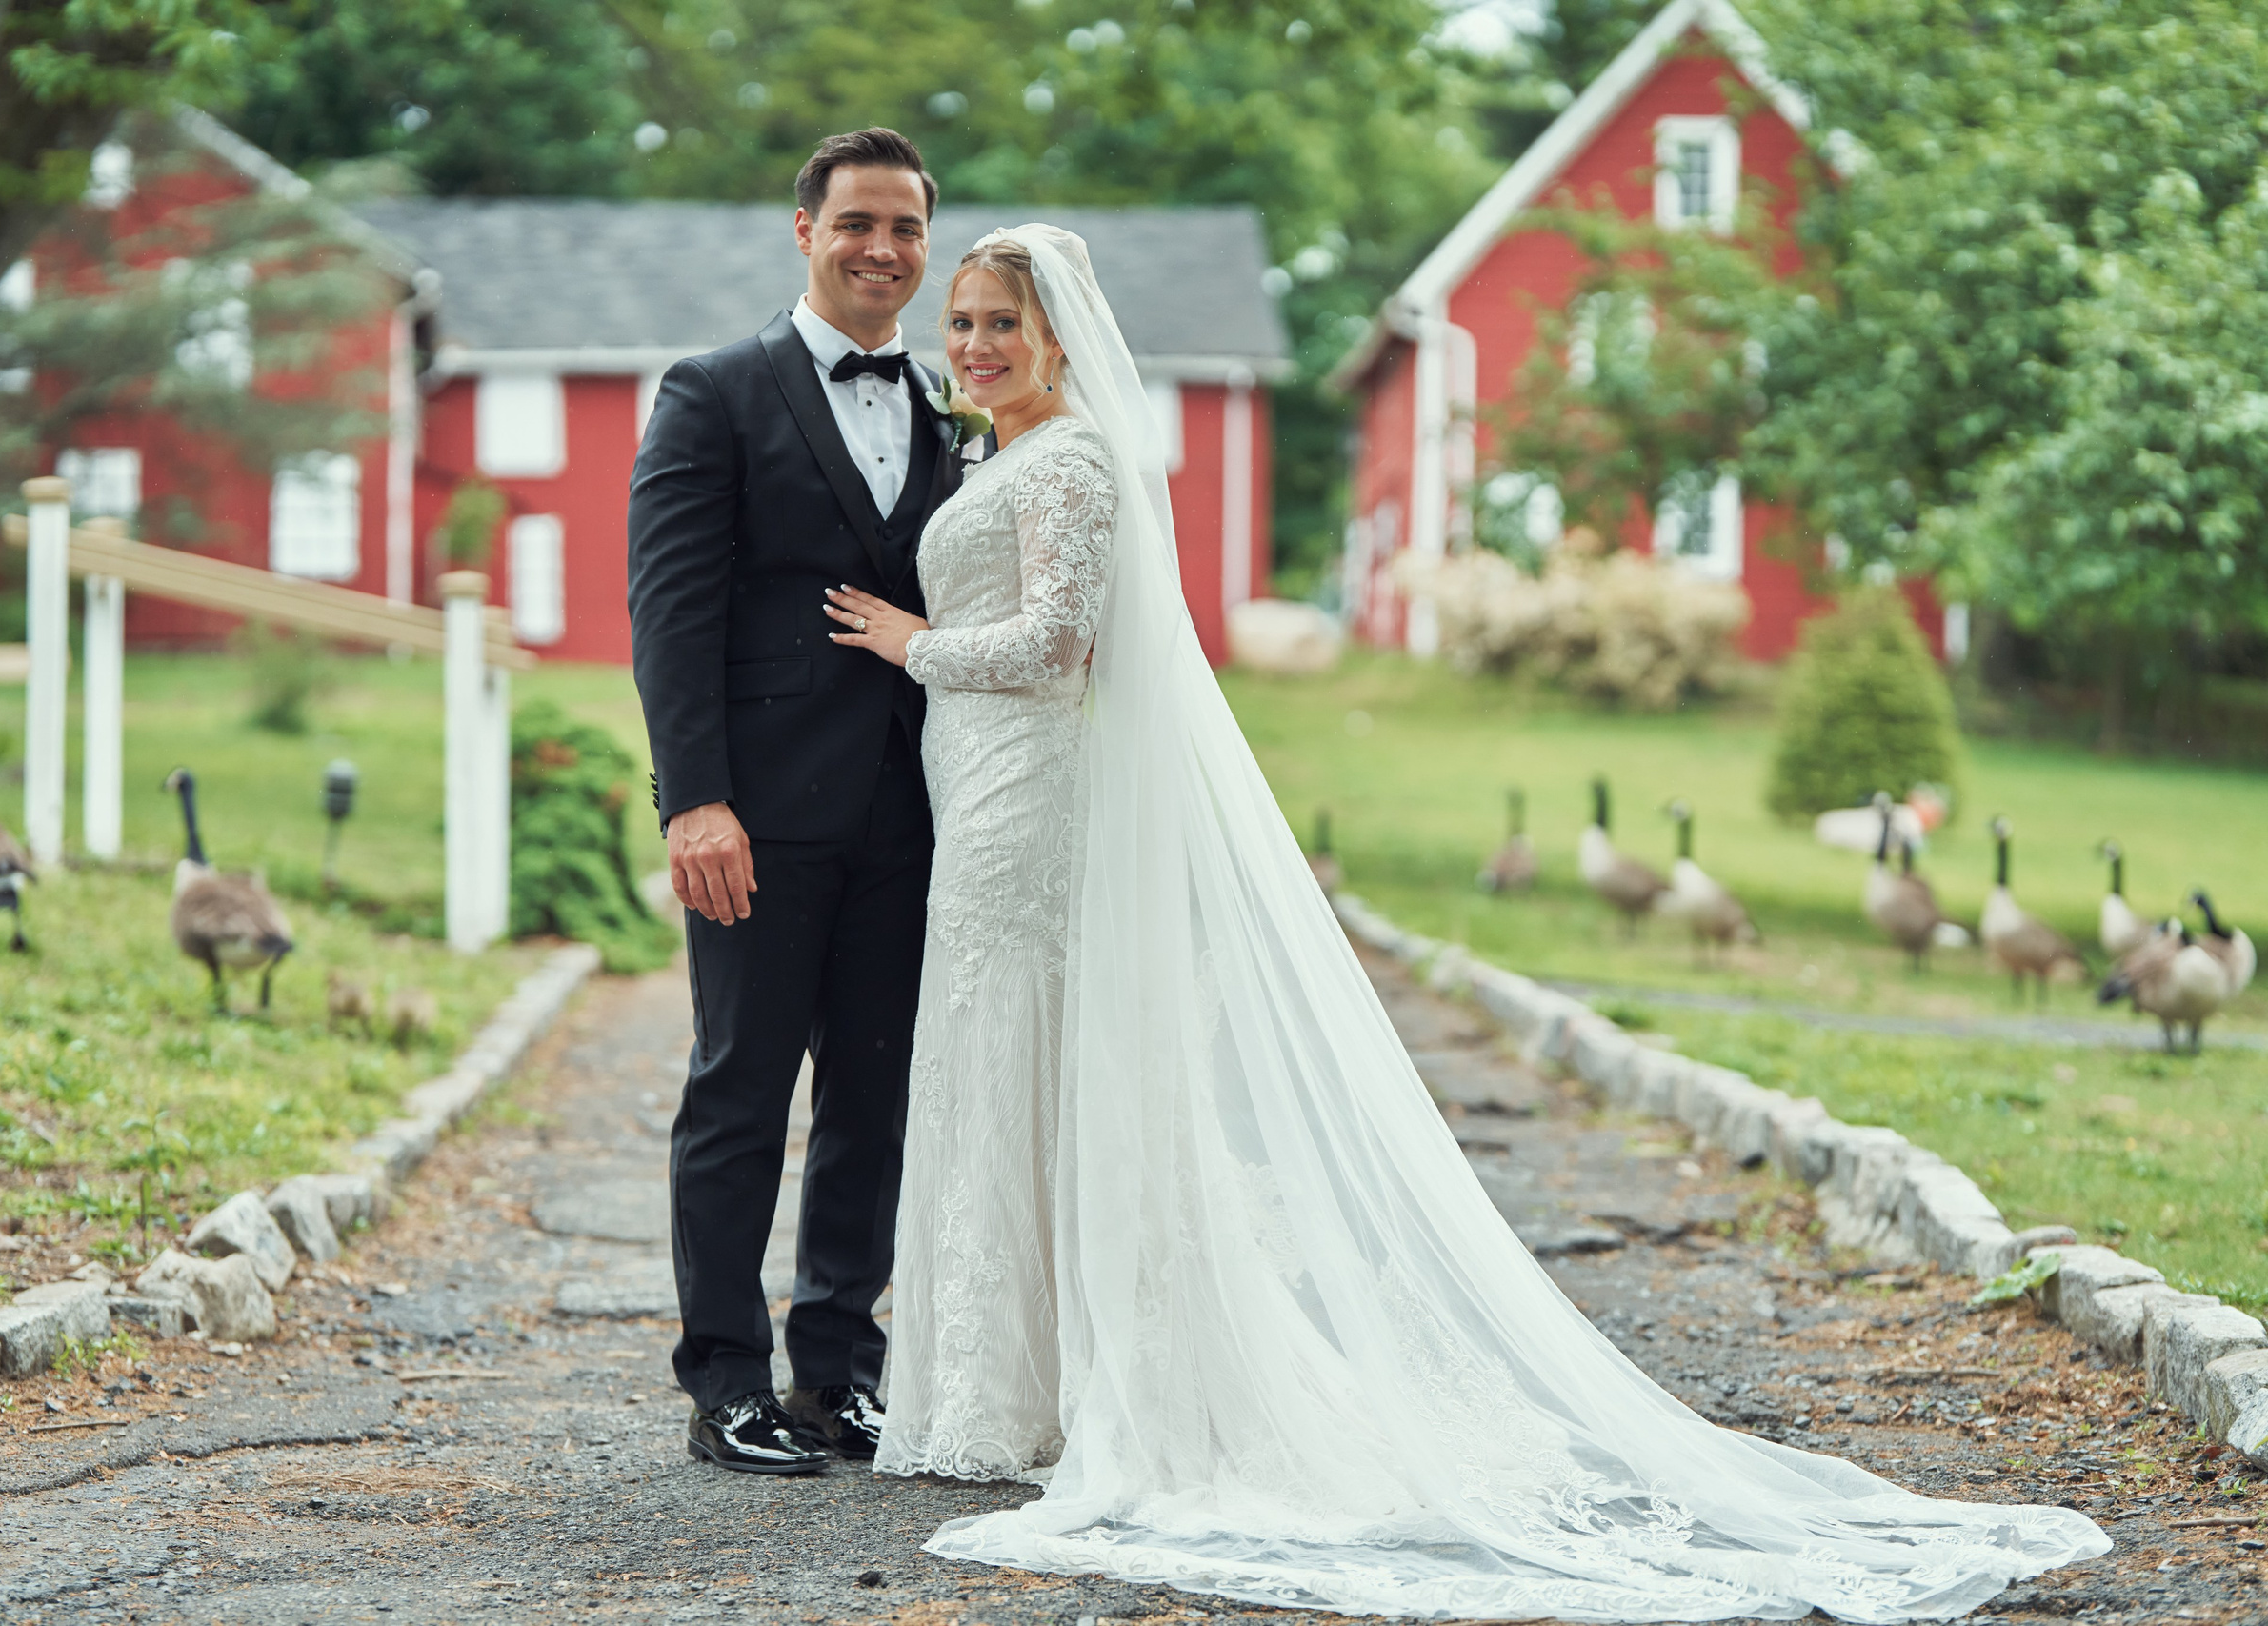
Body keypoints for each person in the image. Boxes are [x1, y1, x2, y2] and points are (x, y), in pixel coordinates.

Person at [820, 223, 2112, 1621]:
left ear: (1060, 336)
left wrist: (914, 644)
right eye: (961, 325)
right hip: (981, 794)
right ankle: (1012, 1383)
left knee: (1039, 1053)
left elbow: (1061, 647)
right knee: (1005, 1055)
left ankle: (1064, 1387)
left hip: (1031, 801)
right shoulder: (1002, 457)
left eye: (999, 323)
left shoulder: (1069, 462)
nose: (972, 348)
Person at [625, 128, 964, 1475]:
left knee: (873, 1102)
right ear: (806, 232)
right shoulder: (713, 391)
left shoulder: (952, 403)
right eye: (858, 223)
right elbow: (670, 614)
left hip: (910, 815)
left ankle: (840, 1369)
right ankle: (725, 1384)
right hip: (755, 821)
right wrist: (692, 801)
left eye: (906, 229)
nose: (883, 249)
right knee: (741, 1092)